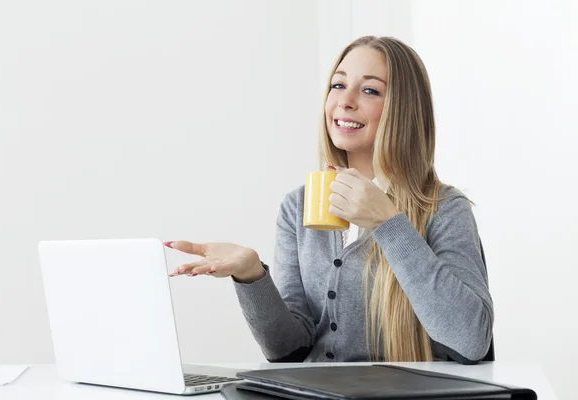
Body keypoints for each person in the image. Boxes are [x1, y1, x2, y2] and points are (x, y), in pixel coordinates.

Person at [166, 36, 493, 365]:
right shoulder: (298, 207)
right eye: (338, 85)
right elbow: (289, 349)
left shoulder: (445, 208)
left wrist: (389, 225)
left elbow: (471, 340)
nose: (345, 101)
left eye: (370, 90)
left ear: (403, 109)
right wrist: (252, 276)